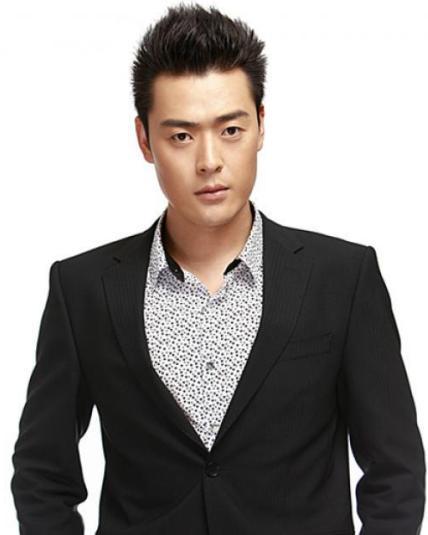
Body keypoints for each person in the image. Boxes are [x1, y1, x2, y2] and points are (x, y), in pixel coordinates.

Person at [10, 3, 425, 534]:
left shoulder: (343, 278)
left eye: (230, 129)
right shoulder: (83, 289)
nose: (209, 160)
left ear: (261, 125)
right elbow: (42, 475)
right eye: (181, 136)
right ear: (144, 140)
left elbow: (396, 473)